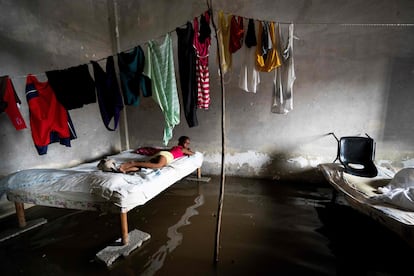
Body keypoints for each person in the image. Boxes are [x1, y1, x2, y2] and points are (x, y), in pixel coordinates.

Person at [119, 136, 195, 173]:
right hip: (167, 156)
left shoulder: (175, 147)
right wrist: (189, 150)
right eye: (186, 143)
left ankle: (125, 170)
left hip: (163, 154)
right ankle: (133, 162)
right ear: (181, 142)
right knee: (158, 165)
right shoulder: (183, 149)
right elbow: (192, 154)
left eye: (188, 143)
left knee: (146, 166)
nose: (187, 144)